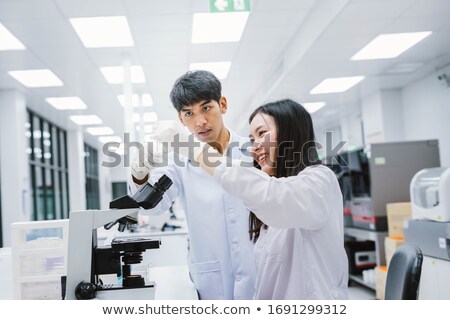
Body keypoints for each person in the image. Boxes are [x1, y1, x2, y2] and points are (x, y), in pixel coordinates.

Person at [152, 98, 349, 299]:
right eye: (252, 140)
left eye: (262, 133)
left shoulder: (320, 181)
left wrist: (194, 149)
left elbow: (274, 197)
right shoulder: (270, 198)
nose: (254, 148)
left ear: (290, 132)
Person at [129, 70, 256, 300]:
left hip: (259, 274)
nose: (200, 122)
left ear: (223, 104)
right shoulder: (177, 162)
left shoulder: (253, 151)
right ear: (180, 119)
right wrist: (139, 171)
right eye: (189, 113)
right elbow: (153, 206)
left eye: (206, 108)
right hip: (211, 281)